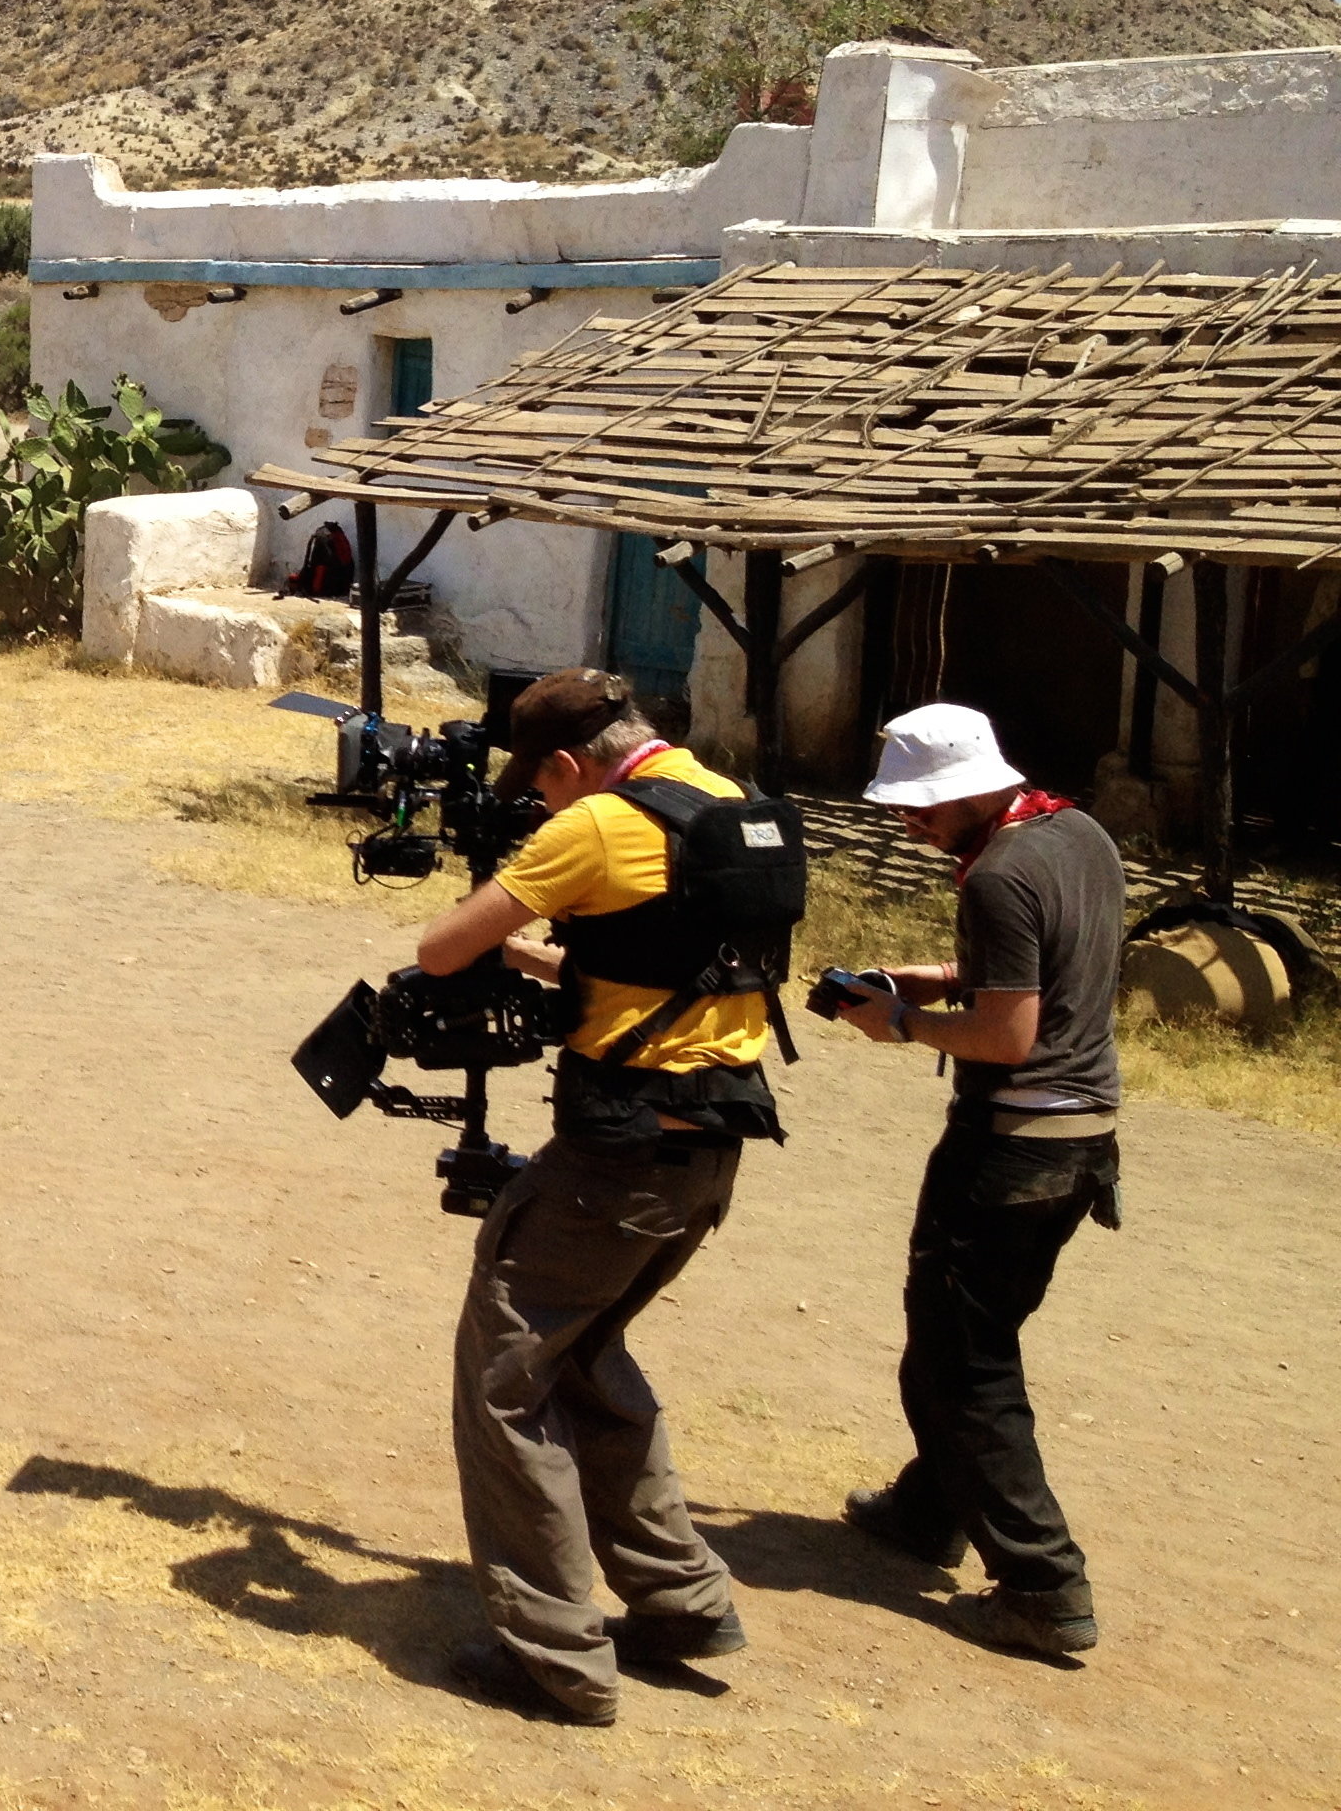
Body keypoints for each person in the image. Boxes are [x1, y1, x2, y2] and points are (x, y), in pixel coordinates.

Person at [414, 668, 785, 1725]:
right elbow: (665, 957)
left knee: (505, 1374)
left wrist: (499, 925)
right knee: (585, 1359)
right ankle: (682, 1604)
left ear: (572, 764)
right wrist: (548, 962)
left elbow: (441, 949)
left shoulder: (599, 826)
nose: (543, 806)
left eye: (545, 786)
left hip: (615, 1159)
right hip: (709, 1151)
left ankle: (553, 1656)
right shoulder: (722, 801)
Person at [834, 702, 1123, 1660]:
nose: (909, 825)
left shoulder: (998, 873)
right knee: (961, 1340)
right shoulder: (1075, 830)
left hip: (1012, 1145)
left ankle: (1043, 1584)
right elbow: (1044, 967)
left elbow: (1008, 1036)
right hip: (1080, 1146)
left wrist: (898, 1025)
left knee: (964, 1363)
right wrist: (937, 978)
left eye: (920, 810)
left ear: (967, 792)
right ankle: (930, 1509)